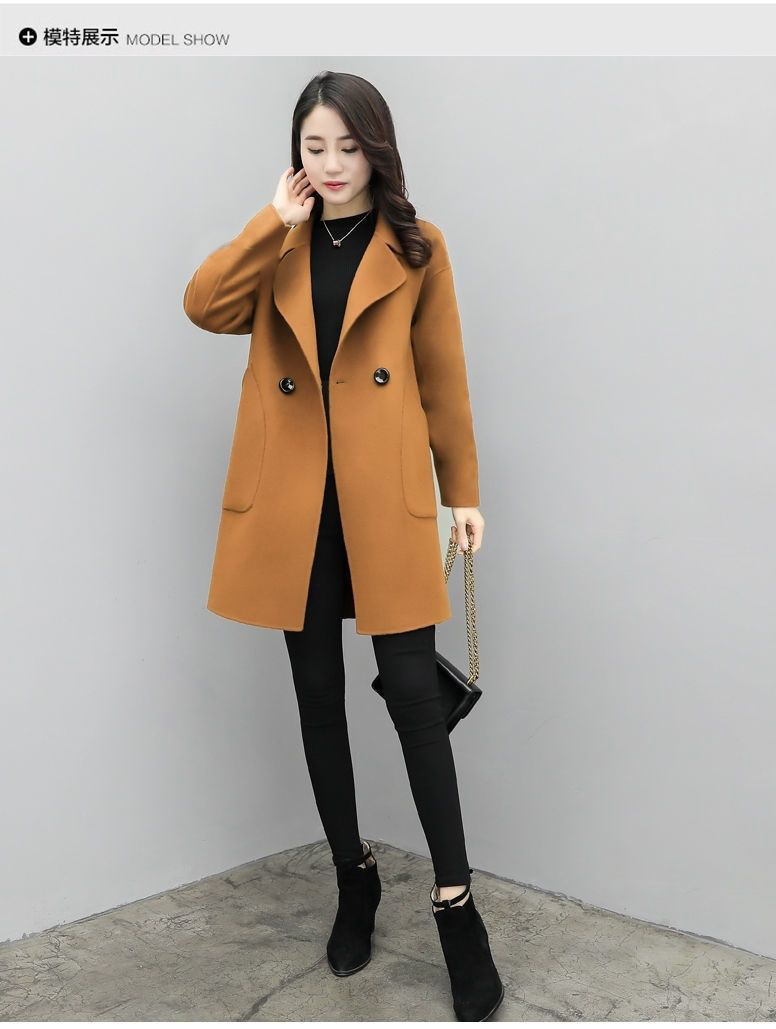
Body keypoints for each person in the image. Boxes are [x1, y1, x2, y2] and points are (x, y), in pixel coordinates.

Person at [183, 70, 503, 1022]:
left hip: (383, 497)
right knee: (318, 696)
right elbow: (203, 305)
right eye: (314, 147)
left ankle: (457, 908)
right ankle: (353, 879)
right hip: (295, 504)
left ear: (377, 149)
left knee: (414, 698)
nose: (330, 165)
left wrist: (462, 492)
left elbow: (443, 375)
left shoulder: (417, 244)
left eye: (348, 147)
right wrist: (268, 222)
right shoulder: (279, 242)